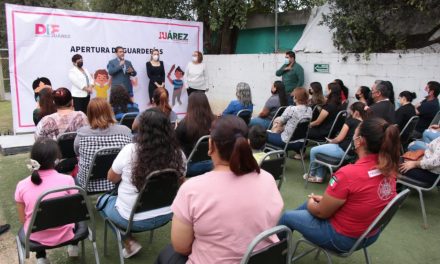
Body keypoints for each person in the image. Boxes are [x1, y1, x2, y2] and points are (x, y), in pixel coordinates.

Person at [155, 115, 283, 264]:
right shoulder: (267, 178)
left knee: (167, 255)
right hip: (260, 258)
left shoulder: (192, 189)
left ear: (211, 145)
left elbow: (181, 247)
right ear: (247, 143)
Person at [279, 117, 400, 253]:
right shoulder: (390, 168)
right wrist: (323, 202)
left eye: (355, 133)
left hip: (342, 238)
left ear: (360, 141)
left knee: (287, 216)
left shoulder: (348, 174)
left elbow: (321, 213)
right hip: (369, 234)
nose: (352, 136)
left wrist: (310, 203)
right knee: (309, 206)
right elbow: (362, 198)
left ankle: (272, 251)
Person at [97, 109, 186, 259]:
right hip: (168, 213)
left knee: (101, 202)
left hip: (131, 218)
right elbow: (181, 183)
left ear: (142, 128)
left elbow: (111, 178)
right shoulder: (178, 153)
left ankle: (128, 241)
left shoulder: (129, 151)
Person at [15, 138, 79, 264]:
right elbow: (75, 211)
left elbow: (23, 220)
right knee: (75, 216)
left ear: (33, 159)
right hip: (66, 232)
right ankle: (73, 246)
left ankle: (41, 258)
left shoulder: (21, 185)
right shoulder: (68, 181)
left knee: (34, 220)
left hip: (35, 236)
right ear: (57, 159)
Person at [74, 98, 132, 193]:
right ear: (110, 111)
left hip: (88, 186)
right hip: (117, 184)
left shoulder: (82, 134)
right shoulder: (125, 132)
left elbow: (76, 152)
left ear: (89, 113)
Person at [306, 102, 367, 183]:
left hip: (342, 150)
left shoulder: (350, 121)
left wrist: (331, 141)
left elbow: (338, 139)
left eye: (351, 111)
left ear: (356, 112)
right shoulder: (366, 124)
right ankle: (319, 176)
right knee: (322, 150)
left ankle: (312, 174)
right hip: (353, 154)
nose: (350, 113)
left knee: (314, 150)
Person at [175, 92, 216, 176]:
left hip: (191, 168)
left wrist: (175, 130)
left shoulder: (184, 125)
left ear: (190, 105)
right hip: (212, 164)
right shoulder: (215, 121)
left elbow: (175, 147)